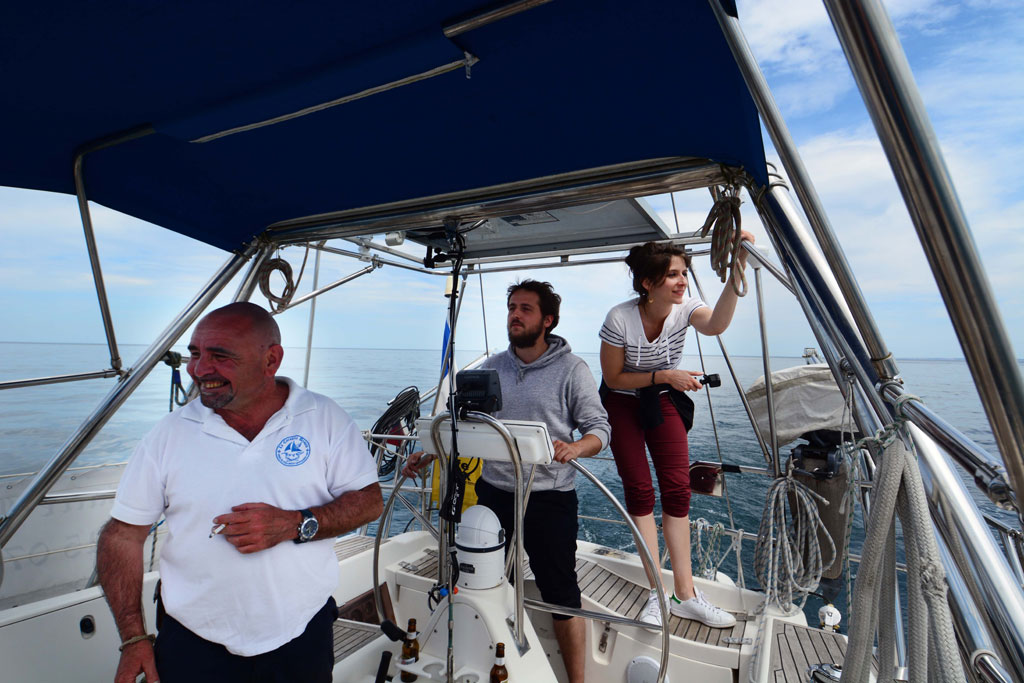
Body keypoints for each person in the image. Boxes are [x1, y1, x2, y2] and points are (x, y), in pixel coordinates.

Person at [96, 302, 383, 683]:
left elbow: (368, 502)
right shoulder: (169, 434)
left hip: (300, 635)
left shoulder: (324, 418)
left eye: (220, 356)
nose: (199, 369)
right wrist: (134, 638)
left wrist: (295, 524)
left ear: (271, 360)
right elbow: (122, 536)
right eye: (195, 354)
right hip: (193, 642)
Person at [405, 280, 609, 683]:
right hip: (493, 494)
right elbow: (461, 424)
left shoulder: (573, 370)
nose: (515, 315)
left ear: (547, 320)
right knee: (486, 581)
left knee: (561, 595)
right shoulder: (490, 368)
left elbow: (600, 429)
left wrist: (575, 447)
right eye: (512, 307)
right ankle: (496, 665)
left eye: (525, 309)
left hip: (549, 498)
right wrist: (429, 452)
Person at [599, 237, 753, 629]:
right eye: (672, 274)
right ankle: (657, 592)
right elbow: (613, 378)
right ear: (648, 283)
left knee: (677, 489)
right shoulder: (619, 318)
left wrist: (738, 264)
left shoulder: (686, 309)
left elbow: (716, 325)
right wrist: (666, 375)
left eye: (684, 273)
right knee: (639, 491)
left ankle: (684, 595)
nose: (682, 281)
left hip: (661, 398)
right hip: (622, 400)